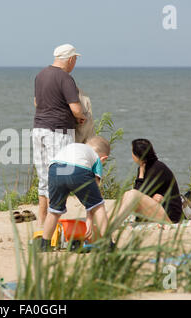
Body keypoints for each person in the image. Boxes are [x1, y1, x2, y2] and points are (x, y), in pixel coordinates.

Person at [33, 43, 87, 226]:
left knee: (44, 176)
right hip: (57, 132)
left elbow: (36, 103)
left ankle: (42, 219)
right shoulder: (65, 78)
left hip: (38, 129)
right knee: (60, 175)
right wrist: (81, 116)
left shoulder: (40, 75)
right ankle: (54, 219)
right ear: (70, 59)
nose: (75, 63)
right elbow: (76, 108)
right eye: (75, 60)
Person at [40, 136, 111, 251]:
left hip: (54, 169)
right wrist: (89, 219)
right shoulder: (96, 159)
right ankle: (109, 244)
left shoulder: (74, 147)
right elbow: (94, 195)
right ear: (103, 158)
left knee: (54, 210)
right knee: (99, 206)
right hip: (78, 170)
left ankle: (45, 244)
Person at [113, 139, 183, 225]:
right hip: (158, 210)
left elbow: (138, 194)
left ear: (137, 155)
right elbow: (140, 194)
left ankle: (113, 223)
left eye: (132, 152)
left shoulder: (157, 168)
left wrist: (141, 175)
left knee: (132, 195)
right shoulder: (144, 167)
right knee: (127, 194)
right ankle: (111, 221)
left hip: (170, 216)